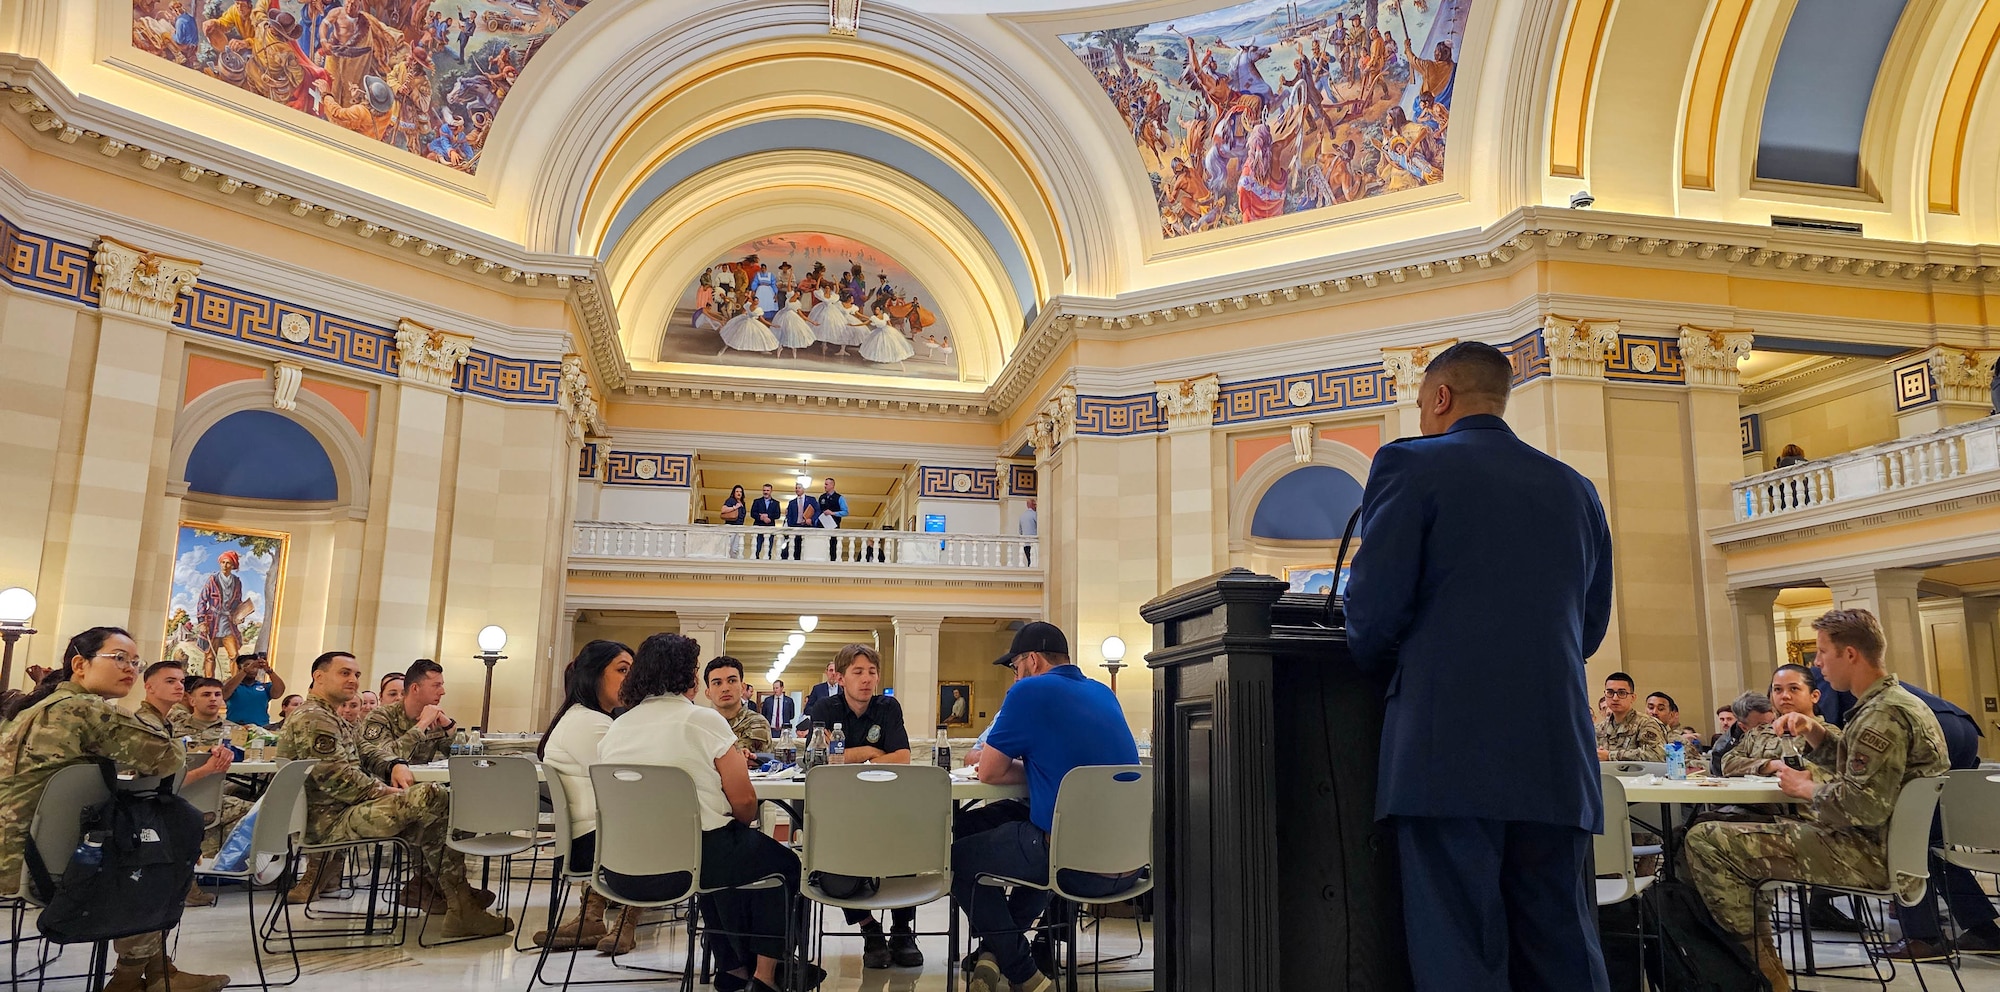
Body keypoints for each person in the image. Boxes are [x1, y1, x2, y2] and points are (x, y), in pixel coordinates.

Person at [1343, 340, 1614, 992]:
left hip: (1446, 752)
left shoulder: (1410, 464)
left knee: (1459, 948)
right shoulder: (1575, 487)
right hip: (1557, 756)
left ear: (1440, 398)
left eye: (1421, 405)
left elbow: (1373, 614)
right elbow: (1591, 629)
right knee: (1563, 947)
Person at [1684, 609, 1949, 991]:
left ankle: (1758, 973)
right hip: (1885, 847)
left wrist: (1806, 789)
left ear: (1851, 654)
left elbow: (1862, 805)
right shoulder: (1893, 703)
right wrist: (1816, 734)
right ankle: (1758, 968)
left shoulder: (1882, 715)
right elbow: (1866, 770)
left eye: (1823, 652)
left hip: (1867, 853)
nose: (1817, 662)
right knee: (1719, 832)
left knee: (1707, 840)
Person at [0, 627, 231, 992]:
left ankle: (156, 971)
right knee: (154, 848)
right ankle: (131, 977)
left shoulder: (37, 705)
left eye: (135, 662)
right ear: (80, 664)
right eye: (119, 658)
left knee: (143, 834)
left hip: (16, 848)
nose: (130, 669)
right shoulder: (84, 708)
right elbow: (168, 757)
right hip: (38, 861)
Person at [597, 634, 818, 992]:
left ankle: (732, 969)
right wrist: (740, 826)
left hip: (622, 868)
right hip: (695, 856)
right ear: (687, 675)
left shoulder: (616, 728)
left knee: (721, 867)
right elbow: (745, 800)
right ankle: (765, 976)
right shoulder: (702, 721)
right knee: (786, 865)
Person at [275, 650, 511, 937]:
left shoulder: (330, 717)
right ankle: (456, 902)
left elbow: (368, 752)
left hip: (341, 810)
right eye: (345, 673)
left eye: (357, 674)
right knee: (432, 798)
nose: (353, 680)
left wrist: (394, 764)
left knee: (439, 806)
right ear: (319, 677)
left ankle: (445, 896)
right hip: (329, 820)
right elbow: (337, 779)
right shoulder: (314, 718)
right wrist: (386, 790)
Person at [956, 622, 1137, 992]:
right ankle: (993, 953)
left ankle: (1024, 974)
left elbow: (989, 770)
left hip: (1074, 862)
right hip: (1130, 863)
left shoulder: (1029, 691)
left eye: (1015, 666)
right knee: (1026, 834)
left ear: (1033, 660)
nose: (1015, 676)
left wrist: (1017, 765)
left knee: (957, 859)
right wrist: (1038, 767)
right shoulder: (1104, 692)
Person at [803, 644, 918, 968]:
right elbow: (823, 759)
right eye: (857, 672)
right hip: (841, 809)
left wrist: (850, 754)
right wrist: (871, 749)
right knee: (828, 859)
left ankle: (902, 930)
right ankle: (869, 929)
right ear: (840, 678)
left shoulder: (888, 707)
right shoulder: (824, 708)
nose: (867, 679)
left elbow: (903, 758)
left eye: (872, 672)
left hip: (886, 806)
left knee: (906, 844)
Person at [1883, 678, 1999, 959]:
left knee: (1904, 831)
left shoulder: (1828, 684)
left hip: (1927, 730)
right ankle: (1984, 930)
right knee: (1932, 840)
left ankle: (1925, 935)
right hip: (1962, 726)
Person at [534, 640, 635, 953]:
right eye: (622, 670)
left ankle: (591, 917)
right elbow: (631, 785)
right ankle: (627, 920)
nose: (630, 680)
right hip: (597, 847)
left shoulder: (581, 718)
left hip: (586, 841)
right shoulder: (591, 724)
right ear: (593, 674)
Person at [358, 658, 457, 782]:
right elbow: (381, 759)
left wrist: (449, 727)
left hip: (423, 785)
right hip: (384, 789)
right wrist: (421, 725)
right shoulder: (380, 716)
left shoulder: (435, 717)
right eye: (436, 685)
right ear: (415, 688)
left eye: (441, 685)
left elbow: (463, 759)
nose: (442, 692)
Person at [705, 656, 773, 760]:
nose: (725, 688)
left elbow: (739, 759)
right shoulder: (703, 724)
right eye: (717, 683)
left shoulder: (757, 723)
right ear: (708, 693)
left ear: (743, 688)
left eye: (732, 681)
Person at [1597, 672, 1667, 761]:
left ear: (1633, 697)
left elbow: (1657, 755)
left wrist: (1611, 756)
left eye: (1621, 693)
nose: (1615, 698)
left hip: (1638, 774)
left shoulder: (1646, 723)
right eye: (1610, 692)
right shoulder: (1600, 728)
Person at [221, 650, 285, 726]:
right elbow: (224, 693)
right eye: (247, 665)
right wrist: (246, 670)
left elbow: (278, 692)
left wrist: (269, 670)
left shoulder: (264, 687)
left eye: (255, 667)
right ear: (239, 668)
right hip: (235, 728)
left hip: (261, 728)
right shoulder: (233, 686)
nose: (252, 669)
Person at [817, 477, 849, 560]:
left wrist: (832, 513)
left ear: (832, 485)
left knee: (833, 546)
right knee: (820, 546)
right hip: (822, 526)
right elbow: (818, 511)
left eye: (826, 484)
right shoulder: (821, 497)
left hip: (833, 526)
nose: (825, 486)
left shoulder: (839, 498)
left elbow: (845, 512)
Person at [783, 482, 816, 560]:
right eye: (796, 488)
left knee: (806, 547)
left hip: (806, 526)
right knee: (795, 547)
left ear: (804, 489)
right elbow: (789, 516)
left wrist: (811, 520)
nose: (797, 489)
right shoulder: (792, 502)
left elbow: (817, 511)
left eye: (799, 488)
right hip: (795, 527)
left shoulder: (811, 500)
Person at [750, 484, 782, 560]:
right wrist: (761, 517)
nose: (766, 492)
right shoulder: (757, 501)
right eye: (764, 490)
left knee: (769, 547)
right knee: (756, 547)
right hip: (758, 527)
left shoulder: (776, 503)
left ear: (771, 491)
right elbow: (752, 513)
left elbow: (777, 515)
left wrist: (768, 516)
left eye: (767, 490)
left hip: (770, 528)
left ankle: (768, 560)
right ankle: (755, 560)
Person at [1017, 498, 1037, 565]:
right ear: (1033, 505)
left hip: (1026, 544)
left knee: (1029, 561)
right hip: (1034, 543)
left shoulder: (1022, 516)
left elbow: (1020, 531)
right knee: (1035, 561)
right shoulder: (1035, 515)